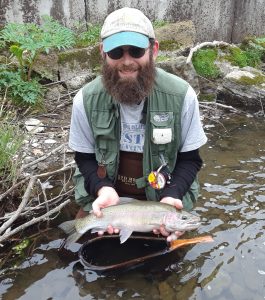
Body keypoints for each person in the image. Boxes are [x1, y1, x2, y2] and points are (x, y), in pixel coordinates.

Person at [69, 7, 207, 242]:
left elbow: (190, 159)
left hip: (161, 198)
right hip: (108, 201)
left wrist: (172, 196)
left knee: (167, 268)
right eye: (116, 52)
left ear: (154, 50)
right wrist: (102, 188)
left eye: (136, 50)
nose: (126, 62)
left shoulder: (182, 96)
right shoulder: (85, 99)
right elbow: (84, 157)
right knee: (73, 250)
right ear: (103, 52)